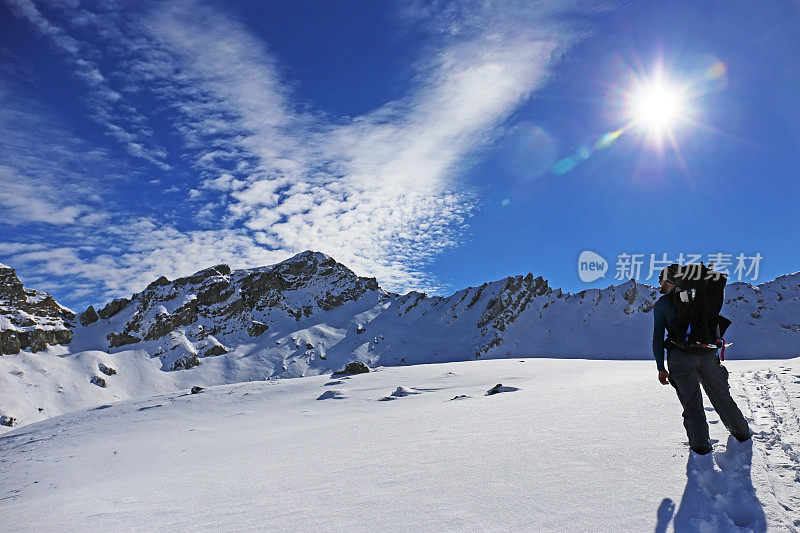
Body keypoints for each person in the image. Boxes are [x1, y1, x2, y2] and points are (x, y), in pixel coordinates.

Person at [653, 264, 751, 454]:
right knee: (722, 397)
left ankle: (701, 449)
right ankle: (743, 434)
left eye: (660, 278)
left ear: (669, 280)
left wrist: (660, 367)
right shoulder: (702, 296)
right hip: (707, 355)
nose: (659, 282)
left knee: (692, 404)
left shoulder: (663, 304)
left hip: (680, 359)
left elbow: (658, 338)